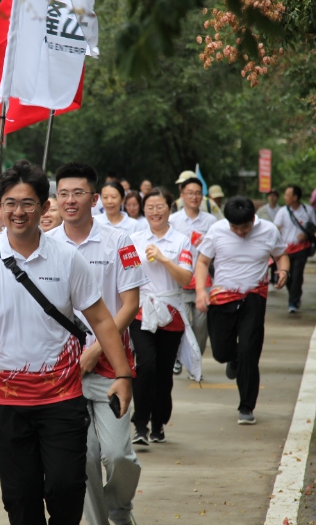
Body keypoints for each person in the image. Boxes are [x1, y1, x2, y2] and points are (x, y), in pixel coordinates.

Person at [0, 159, 133, 525]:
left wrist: (123, 375)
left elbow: (100, 319)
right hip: (2, 399)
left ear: (45, 207)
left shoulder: (67, 258)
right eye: (11, 203)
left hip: (61, 397)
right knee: (20, 496)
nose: (19, 212)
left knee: (67, 487)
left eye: (28, 203)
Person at [49, 163, 147, 525]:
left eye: (78, 193)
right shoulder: (46, 244)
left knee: (118, 454)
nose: (70, 200)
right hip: (64, 369)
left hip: (109, 365)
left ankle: (120, 509)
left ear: (94, 199)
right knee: (85, 457)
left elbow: (130, 305)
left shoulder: (120, 241)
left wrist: (96, 349)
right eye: (63, 194)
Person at [195, 196, 289, 425]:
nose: (239, 232)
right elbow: (203, 262)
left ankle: (246, 406)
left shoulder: (268, 230)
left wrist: (283, 271)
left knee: (249, 351)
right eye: (234, 227)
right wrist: (200, 292)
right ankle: (232, 358)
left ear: (253, 220)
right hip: (222, 298)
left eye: (244, 227)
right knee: (220, 352)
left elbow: (281, 255)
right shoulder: (217, 230)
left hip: (254, 298)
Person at [129, 187, 194, 444]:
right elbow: (125, 273)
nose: (155, 212)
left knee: (164, 373)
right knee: (145, 366)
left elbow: (186, 278)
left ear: (170, 208)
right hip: (141, 311)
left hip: (171, 312)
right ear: (143, 210)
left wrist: (164, 259)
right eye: (150, 208)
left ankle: (158, 423)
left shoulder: (181, 241)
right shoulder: (133, 239)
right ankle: (140, 425)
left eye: (160, 207)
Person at [167, 177, 218, 376]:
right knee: (180, 323)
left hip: (203, 282)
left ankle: (195, 364)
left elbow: (217, 249)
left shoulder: (210, 221)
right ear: (182, 195)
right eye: (190, 193)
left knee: (200, 327)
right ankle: (177, 357)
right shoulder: (173, 220)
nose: (194, 197)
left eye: (198, 193)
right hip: (179, 281)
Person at [273, 185, 316, 314]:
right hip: (286, 250)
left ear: (295, 197)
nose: (285, 197)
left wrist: (307, 235)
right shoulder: (282, 211)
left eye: (287, 195)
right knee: (288, 275)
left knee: (297, 275)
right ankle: (294, 294)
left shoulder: (308, 210)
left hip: (301, 248)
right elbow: (276, 228)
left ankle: (293, 301)